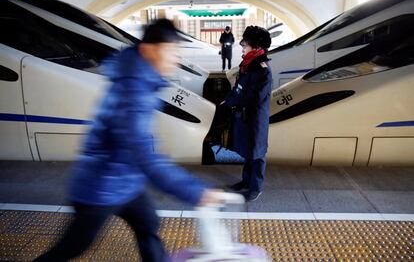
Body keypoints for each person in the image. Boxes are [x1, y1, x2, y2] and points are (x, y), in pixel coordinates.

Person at [33, 19, 225, 262]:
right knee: (74, 246)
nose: (176, 59)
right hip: (100, 186)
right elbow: (142, 155)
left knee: (148, 224)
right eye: (171, 51)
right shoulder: (133, 92)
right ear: (148, 49)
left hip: (126, 180)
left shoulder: (139, 80)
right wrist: (196, 192)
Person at [222, 25, 272, 202]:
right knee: (248, 150)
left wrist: (231, 102)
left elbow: (254, 97)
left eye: (246, 43)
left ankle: (256, 188)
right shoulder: (247, 64)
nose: (242, 46)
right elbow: (238, 88)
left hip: (255, 118)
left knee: (257, 153)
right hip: (245, 115)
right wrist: (229, 100)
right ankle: (246, 181)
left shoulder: (262, 69)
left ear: (257, 47)